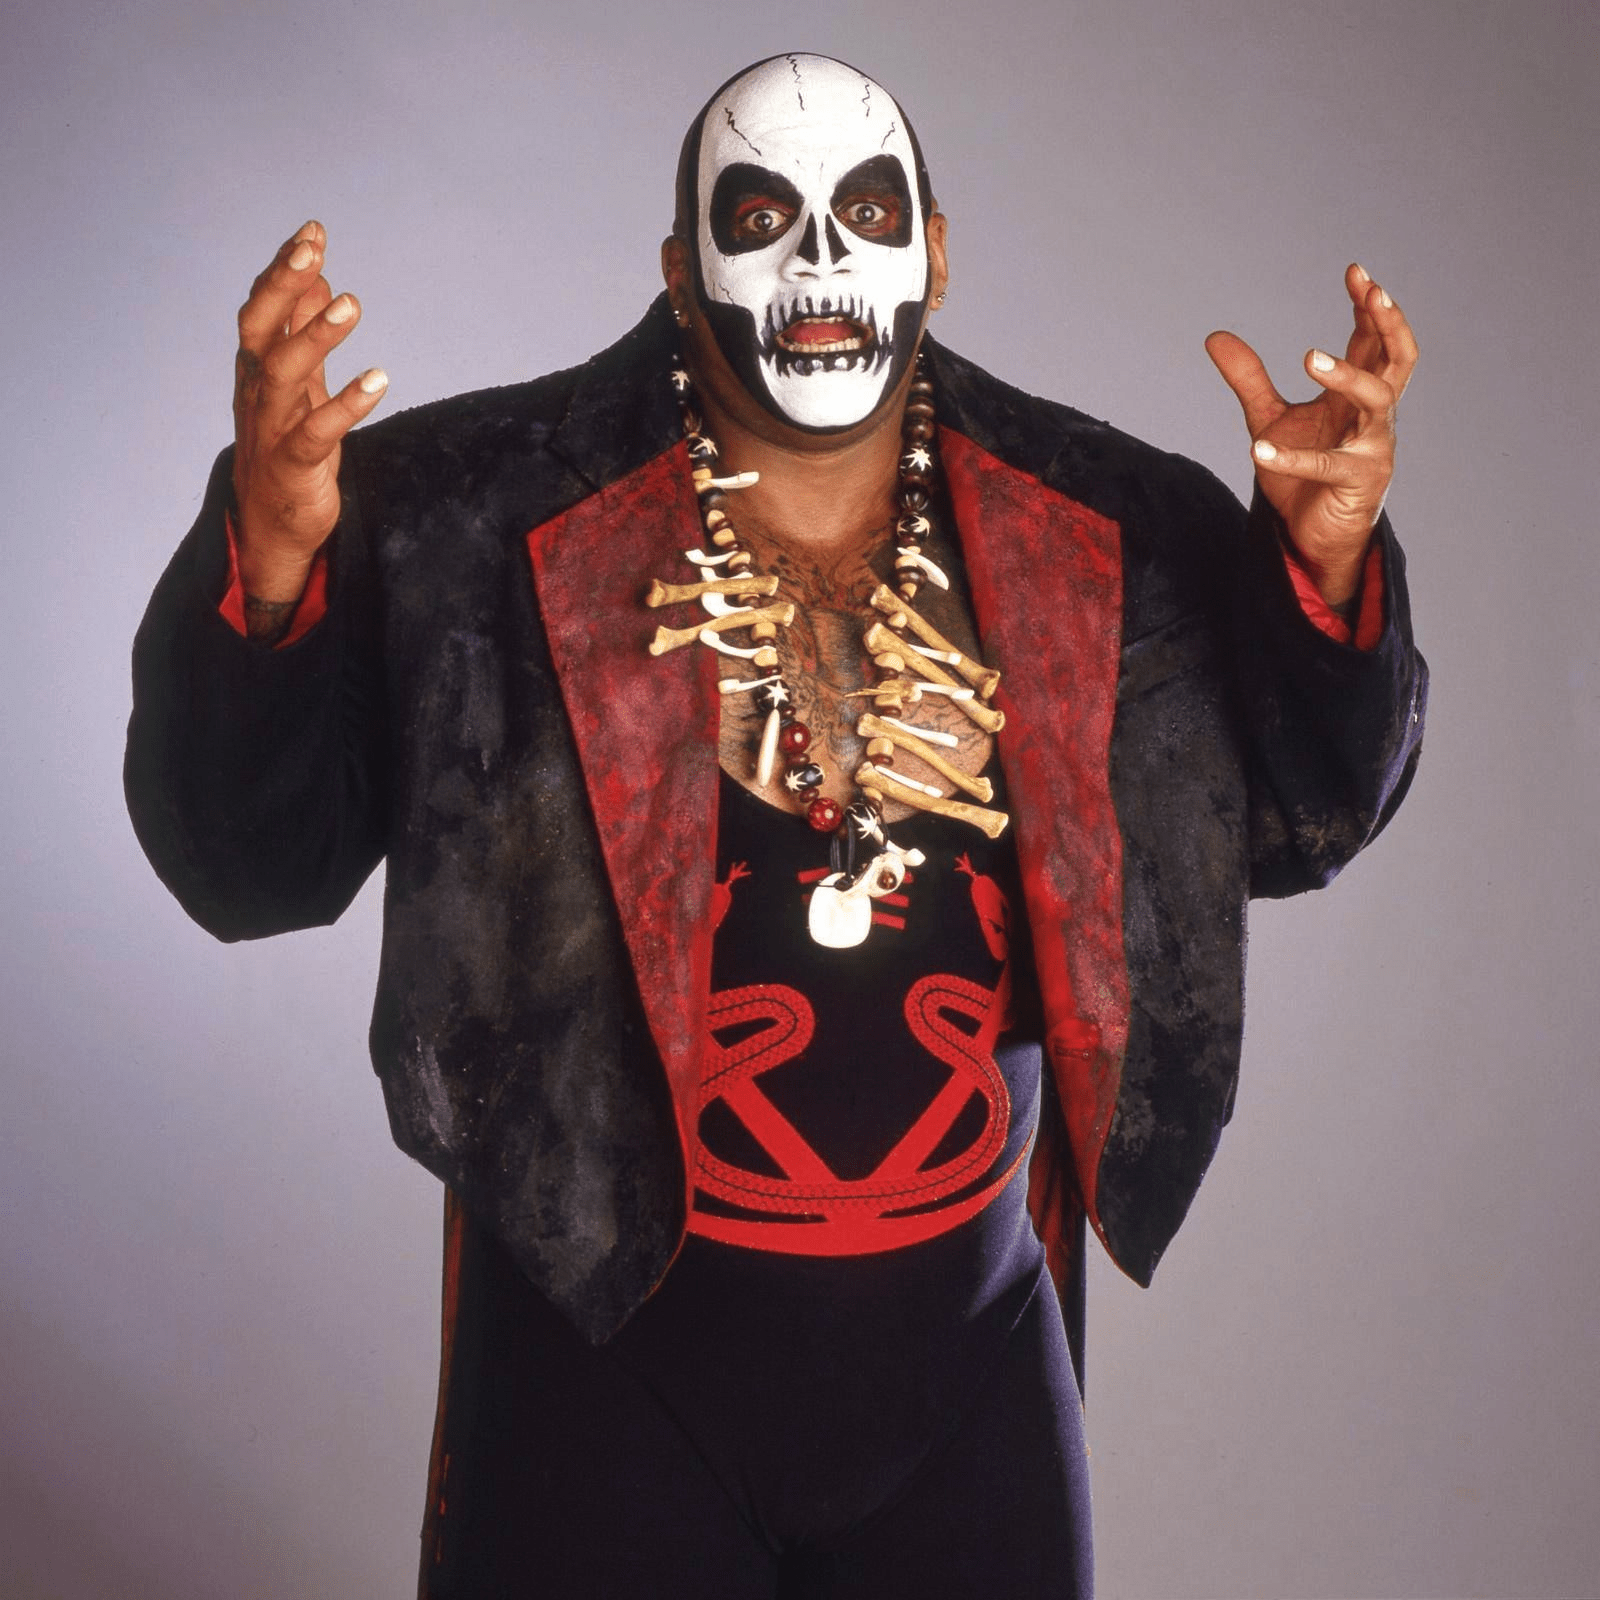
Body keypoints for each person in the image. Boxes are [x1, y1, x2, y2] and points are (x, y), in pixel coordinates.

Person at [126, 52, 1425, 1600]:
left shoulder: (1110, 524)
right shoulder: (462, 511)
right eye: (762, 217)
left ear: (935, 252)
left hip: (970, 1373)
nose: (819, 262)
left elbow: (1296, 826)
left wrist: (1323, 577)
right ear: (682, 271)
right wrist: (272, 554)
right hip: (599, 1360)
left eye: (864, 213)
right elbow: (247, 868)